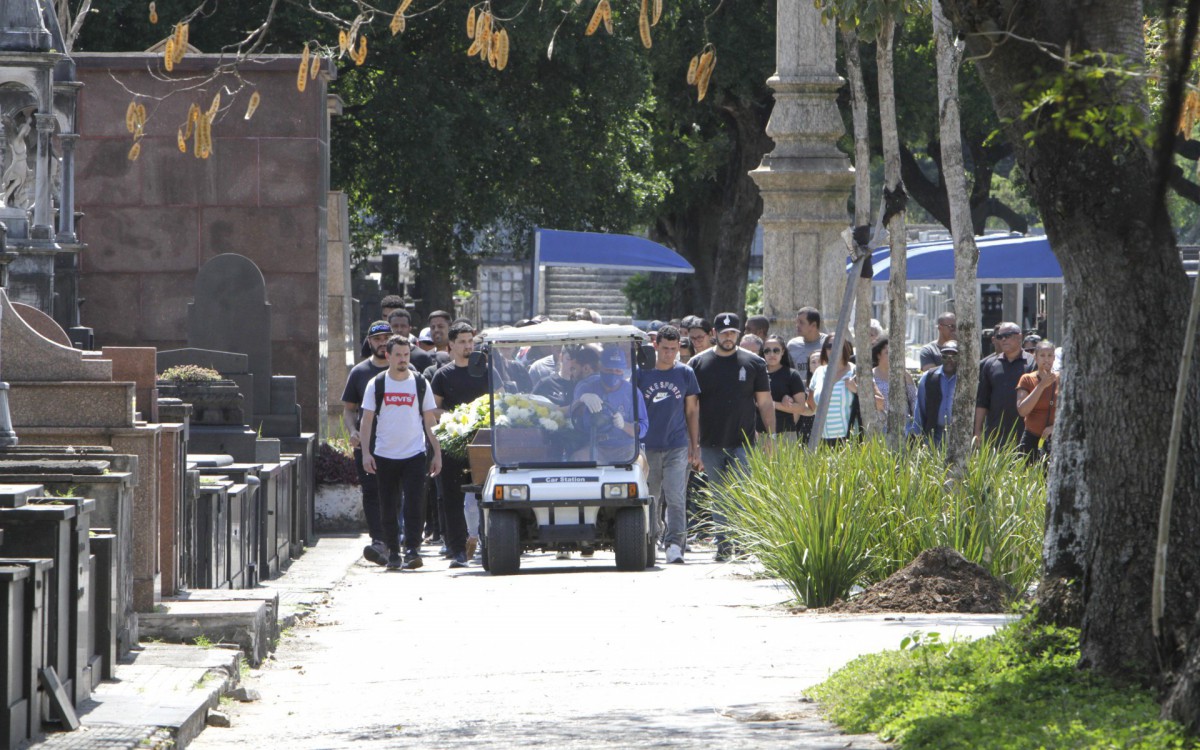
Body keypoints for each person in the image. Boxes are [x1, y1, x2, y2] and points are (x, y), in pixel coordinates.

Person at [688, 312, 774, 560]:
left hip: (744, 441)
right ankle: (724, 544)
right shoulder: (697, 363)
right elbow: (692, 408)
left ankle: (744, 543)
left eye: (733, 333)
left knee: (742, 492)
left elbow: (765, 403)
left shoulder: (754, 362)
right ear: (714, 333)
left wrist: (771, 436)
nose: (728, 337)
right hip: (711, 441)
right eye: (724, 333)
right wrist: (693, 444)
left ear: (738, 334)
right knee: (719, 494)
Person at [359, 335, 442, 570]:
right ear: (388, 356)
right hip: (385, 454)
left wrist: (437, 452)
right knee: (388, 505)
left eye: (406, 355)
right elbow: (366, 421)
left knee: (415, 503)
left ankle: (413, 550)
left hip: (415, 453)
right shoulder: (377, 384)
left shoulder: (419, 382)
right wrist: (366, 453)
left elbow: (429, 420)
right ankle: (393, 551)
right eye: (398, 355)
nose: (403, 359)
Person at [637, 325, 702, 565]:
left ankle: (675, 544)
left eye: (674, 349)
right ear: (655, 346)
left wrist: (695, 445)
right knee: (651, 497)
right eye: (665, 349)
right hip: (647, 446)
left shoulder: (685, 373)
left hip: (677, 444)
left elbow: (692, 410)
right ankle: (650, 538)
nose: (669, 354)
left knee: (676, 496)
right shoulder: (641, 374)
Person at [430, 322, 489, 567]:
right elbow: (433, 409)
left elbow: (500, 399)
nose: (468, 346)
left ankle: (488, 542)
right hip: (453, 443)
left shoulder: (486, 371)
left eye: (470, 341)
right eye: (463, 342)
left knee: (487, 496)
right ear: (451, 345)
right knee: (452, 498)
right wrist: (456, 418)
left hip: (483, 443)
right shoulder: (442, 375)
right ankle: (456, 549)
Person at [341, 321, 393, 565]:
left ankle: (396, 540)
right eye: (377, 339)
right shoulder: (359, 373)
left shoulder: (405, 370)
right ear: (369, 342)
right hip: (367, 444)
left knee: (395, 493)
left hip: (398, 443)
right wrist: (352, 431)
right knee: (371, 493)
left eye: (386, 338)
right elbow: (349, 410)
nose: (382, 343)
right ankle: (379, 541)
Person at [571, 347, 649, 464]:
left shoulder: (632, 392)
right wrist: (583, 399)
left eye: (618, 370)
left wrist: (624, 425)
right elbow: (572, 412)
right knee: (576, 460)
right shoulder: (587, 387)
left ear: (623, 370)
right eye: (609, 369)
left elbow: (642, 429)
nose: (613, 373)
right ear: (601, 367)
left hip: (626, 447)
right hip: (595, 445)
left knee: (638, 463)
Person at [974, 321, 1033, 445]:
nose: (1004, 340)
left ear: (1020, 337)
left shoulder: (1033, 363)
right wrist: (977, 431)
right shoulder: (990, 365)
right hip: (995, 435)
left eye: (1008, 335)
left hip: (1025, 432)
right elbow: (982, 401)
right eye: (1000, 337)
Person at [758, 334, 813, 440]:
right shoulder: (757, 374)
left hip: (785, 433)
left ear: (783, 351)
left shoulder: (792, 375)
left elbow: (800, 407)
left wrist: (773, 404)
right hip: (759, 433)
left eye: (776, 350)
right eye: (767, 351)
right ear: (763, 353)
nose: (771, 354)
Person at [806, 337, 857, 445]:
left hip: (850, 439)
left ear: (846, 348)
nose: (834, 349)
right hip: (821, 438)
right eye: (829, 346)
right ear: (825, 350)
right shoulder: (819, 372)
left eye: (838, 344)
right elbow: (810, 407)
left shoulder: (855, 371)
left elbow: (879, 403)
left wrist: (857, 390)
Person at [908, 340, 960, 444]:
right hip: (933, 436)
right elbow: (920, 408)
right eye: (945, 356)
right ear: (941, 357)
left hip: (959, 436)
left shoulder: (966, 379)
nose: (949, 360)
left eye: (953, 356)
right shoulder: (928, 377)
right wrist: (917, 436)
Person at [786, 306, 826, 442]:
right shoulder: (792, 345)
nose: (797, 326)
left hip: (821, 400)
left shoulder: (827, 344)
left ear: (814, 325)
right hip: (799, 401)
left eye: (801, 322)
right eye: (796, 322)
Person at [1015, 340, 1058, 460]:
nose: (1046, 359)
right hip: (1032, 437)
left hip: (1055, 438)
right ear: (1036, 357)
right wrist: (1041, 386)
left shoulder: (1061, 379)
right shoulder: (1027, 379)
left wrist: (1054, 427)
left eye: (1050, 356)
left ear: (1054, 358)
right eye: (1042, 356)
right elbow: (1022, 411)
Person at [871, 336, 916, 419]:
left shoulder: (905, 376)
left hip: (903, 426)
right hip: (878, 426)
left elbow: (914, 401)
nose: (892, 356)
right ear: (878, 355)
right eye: (887, 352)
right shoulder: (871, 375)